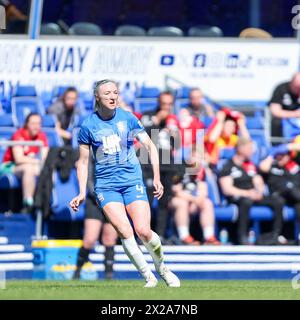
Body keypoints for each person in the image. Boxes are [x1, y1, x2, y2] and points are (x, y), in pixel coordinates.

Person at [69, 80, 180, 288]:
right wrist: (81, 191)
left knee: (143, 231)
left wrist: (156, 177)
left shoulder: (127, 118)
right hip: (106, 186)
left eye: (115, 93)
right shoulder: (88, 126)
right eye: (107, 93)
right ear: (97, 98)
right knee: (125, 231)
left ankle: (162, 267)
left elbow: (149, 145)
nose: (112, 96)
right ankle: (148, 277)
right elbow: (82, 162)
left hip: (132, 181)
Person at [219, 138, 284, 245]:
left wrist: (258, 192)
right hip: (238, 197)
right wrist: (247, 193)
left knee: (278, 201)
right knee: (246, 202)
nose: (253, 151)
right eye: (250, 148)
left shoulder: (251, 165)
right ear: (241, 149)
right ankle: (242, 237)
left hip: (253, 195)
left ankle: (274, 235)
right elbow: (227, 189)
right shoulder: (228, 166)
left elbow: (258, 182)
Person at [139, 91, 180, 242]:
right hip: (149, 163)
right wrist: (156, 121)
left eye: (169, 104)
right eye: (164, 104)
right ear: (159, 103)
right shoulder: (148, 116)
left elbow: (177, 145)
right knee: (147, 200)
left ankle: (160, 235)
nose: (167, 107)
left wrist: (174, 135)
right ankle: (143, 233)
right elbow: (141, 136)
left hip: (167, 165)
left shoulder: (173, 120)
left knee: (164, 201)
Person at [73, 156, 118, 280]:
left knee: (109, 239)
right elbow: (89, 179)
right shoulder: (94, 154)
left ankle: (109, 276)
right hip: (94, 201)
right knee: (89, 240)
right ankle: (77, 272)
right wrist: (99, 195)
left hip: (113, 201)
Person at [0, 113, 48, 213]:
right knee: (28, 168)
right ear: (27, 124)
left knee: (44, 170)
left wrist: (37, 162)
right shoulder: (18, 135)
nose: (36, 126)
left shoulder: (42, 136)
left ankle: (45, 203)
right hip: (9, 166)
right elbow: (19, 159)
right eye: (33, 123)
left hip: (31, 165)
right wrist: (36, 161)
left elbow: (44, 158)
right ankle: (28, 203)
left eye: (38, 123)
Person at [171, 149, 220, 245]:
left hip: (192, 202)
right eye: (195, 157)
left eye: (200, 158)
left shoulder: (201, 171)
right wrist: (193, 200)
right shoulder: (180, 168)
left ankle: (209, 237)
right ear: (189, 157)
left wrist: (197, 201)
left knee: (207, 203)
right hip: (177, 200)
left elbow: (203, 191)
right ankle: (184, 237)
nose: (198, 160)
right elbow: (176, 191)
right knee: (182, 203)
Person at [259, 143, 300, 240]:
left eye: (283, 154)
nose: (280, 157)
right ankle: (276, 234)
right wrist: (273, 153)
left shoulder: (294, 166)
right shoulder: (272, 166)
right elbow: (262, 167)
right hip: (277, 196)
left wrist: (287, 147)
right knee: (285, 195)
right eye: (279, 154)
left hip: (294, 197)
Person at [269, 73, 300, 138]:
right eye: (297, 87)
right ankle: (279, 146)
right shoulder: (281, 88)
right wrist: (295, 114)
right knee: (277, 122)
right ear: (292, 83)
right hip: (285, 120)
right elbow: (275, 111)